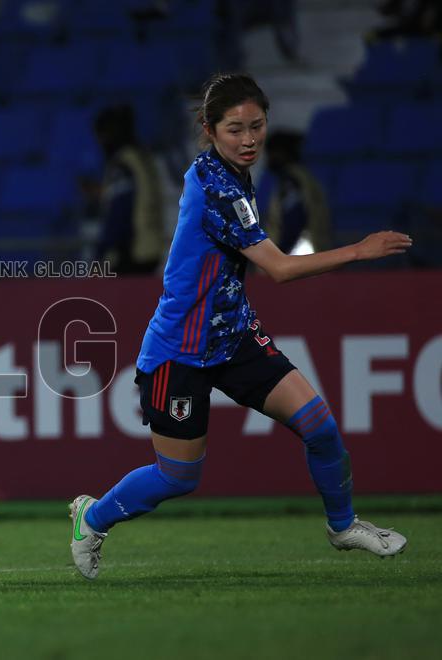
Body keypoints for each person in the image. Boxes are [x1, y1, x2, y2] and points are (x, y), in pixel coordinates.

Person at [69, 73, 413, 580]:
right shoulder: (217, 187)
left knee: (319, 425)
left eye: (256, 126)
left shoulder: (229, 174)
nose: (249, 139)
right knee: (179, 477)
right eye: (235, 129)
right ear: (209, 130)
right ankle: (91, 518)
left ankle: (342, 526)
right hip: (179, 351)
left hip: (233, 337)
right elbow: (279, 269)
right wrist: (361, 250)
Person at [90, 103, 166, 274]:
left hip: (132, 253)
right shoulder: (142, 157)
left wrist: (100, 254)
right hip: (151, 248)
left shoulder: (123, 164)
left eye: (100, 136)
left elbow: (120, 211)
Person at [256, 130, 332, 254]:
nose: (268, 158)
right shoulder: (305, 178)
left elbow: (294, 219)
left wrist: (278, 254)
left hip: (298, 257)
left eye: (271, 152)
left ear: (282, 153)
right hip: (312, 255)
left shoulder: (291, 181)